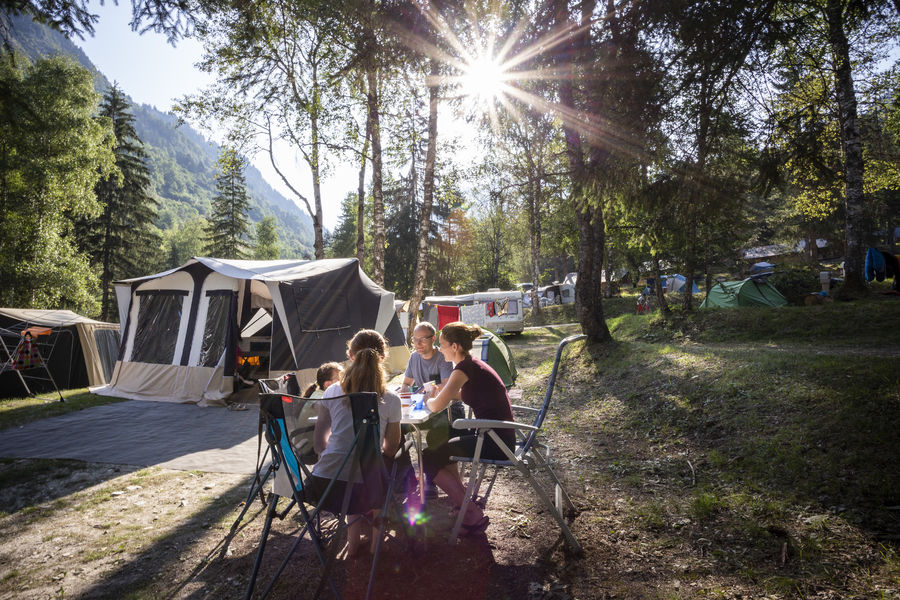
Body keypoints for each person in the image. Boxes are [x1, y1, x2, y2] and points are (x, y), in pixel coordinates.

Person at [309, 330, 402, 558]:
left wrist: (331, 453)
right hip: (368, 489)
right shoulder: (390, 399)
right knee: (373, 469)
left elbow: (319, 443)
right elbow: (390, 449)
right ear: (382, 356)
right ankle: (375, 546)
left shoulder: (331, 391)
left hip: (324, 484)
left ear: (350, 355)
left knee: (352, 469)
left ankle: (352, 544)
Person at [419, 321, 515, 536]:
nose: (439, 349)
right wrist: (443, 392)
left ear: (455, 347)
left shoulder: (462, 369)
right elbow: (465, 395)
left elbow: (435, 406)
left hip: (495, 441)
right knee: (443, 442)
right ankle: (463, 502)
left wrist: (427, 399)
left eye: (442, 345)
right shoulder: (473, 364)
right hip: (495, 433)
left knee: (427, 457)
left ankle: (470, 511)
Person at [400, 322, 456, 499]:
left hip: (446, 410)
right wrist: (404, 391)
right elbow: (406, 383)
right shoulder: (414, 358)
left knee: (436, 435)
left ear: (433, 339)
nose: (417, 344)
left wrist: (431, 391)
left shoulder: (442, 357)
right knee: (397, 429)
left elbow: (447, 386)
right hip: (421, 410)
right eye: (414, 340)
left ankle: (431, 482)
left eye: (422, 340)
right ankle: (406, 479)